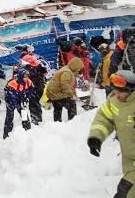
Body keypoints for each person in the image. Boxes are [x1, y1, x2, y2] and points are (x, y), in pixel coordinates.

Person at [87, 70, 135, 198]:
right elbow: (103, 119)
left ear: (130, 90)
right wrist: (95, 138)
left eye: (120, 91)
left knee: (126, 191)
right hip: (129, 159)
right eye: (115, 90)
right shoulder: (114, 101)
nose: (117, 94)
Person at [46, 57, 84, 122]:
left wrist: (74, 94)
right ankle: (73, 121)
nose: (79, 70)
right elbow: (65, 85)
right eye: (79, 68)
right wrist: (72, 95)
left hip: (53, 92)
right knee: (71, 105)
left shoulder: (68, 69)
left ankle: (57, 124)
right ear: (76, 67)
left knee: (58, 108)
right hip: (56, 93)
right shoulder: (67, 72)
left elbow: (69, 86)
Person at [3, 68, 34, 139]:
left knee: (24, 113)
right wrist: (17, 105)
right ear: (20, 76)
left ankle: (27, 130)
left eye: (27, 77)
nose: (26, 78)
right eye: (24, 77)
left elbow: (31, 89)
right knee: (9, 116)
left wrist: (27, 98)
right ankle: (6, 135)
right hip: (10, 100)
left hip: (21, 98)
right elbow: (11, 97)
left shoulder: (28, 82)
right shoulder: (12, 84)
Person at [21, 54, 47, 124]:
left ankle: (35, 120)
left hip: (34, 88)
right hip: (40, 87)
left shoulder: (30, 69)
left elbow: (26, 79)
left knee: (33, 104)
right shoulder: (39, 66)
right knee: (36, 103)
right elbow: (44, 73)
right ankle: (38, 118)